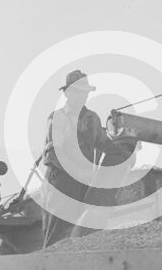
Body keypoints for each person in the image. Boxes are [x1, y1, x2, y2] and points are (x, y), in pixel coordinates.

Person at [40, 70, 134, 246]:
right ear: (67, 93)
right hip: (60, 183)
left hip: (83, 184)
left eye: (84, 92)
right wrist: (77, 172)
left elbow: (104, 143)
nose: (81, 95)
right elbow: (52, 154)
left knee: (80, 234)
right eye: (77, 91)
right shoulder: (58, 118)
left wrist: (125, 153)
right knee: (57, 235)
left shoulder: (92, 118)